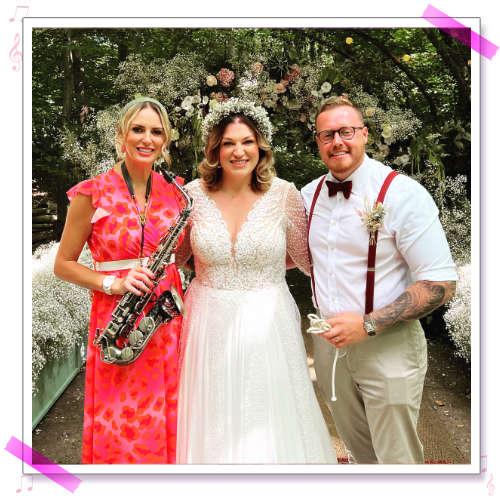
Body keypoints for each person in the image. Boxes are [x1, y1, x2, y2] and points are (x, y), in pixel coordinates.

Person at [175, 98, 337, 464]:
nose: (238, 151)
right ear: (214, 149)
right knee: (210, 415)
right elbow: (177, 257)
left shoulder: (284, 194)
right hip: (206, 321)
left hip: (268, 320)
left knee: (269, 412)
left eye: (247, 141)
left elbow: (307, 260)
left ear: (260, 146)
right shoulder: (191, 195)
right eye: (228, 143)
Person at [301, 96, 457, 464]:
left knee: (396, 459)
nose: (337, 141)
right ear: (318, 142)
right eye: (327, 135)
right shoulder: (307, 196)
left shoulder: (403, 195)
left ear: (364, 134)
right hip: (329, 349)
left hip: (389, 346)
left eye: (346, 131)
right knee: (361, 456)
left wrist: (369, 324)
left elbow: (440, 284)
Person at [54, 97, 185, 464]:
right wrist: (113, 282)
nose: (147, 139)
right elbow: (63, 264)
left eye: (156, 132)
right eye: (138, 129)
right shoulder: (91, 192)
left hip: (164, 321)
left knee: (165, 414)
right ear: (121, 135)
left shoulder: (175, 192)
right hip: (119, 320)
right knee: (120, 421)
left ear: (166, 140)